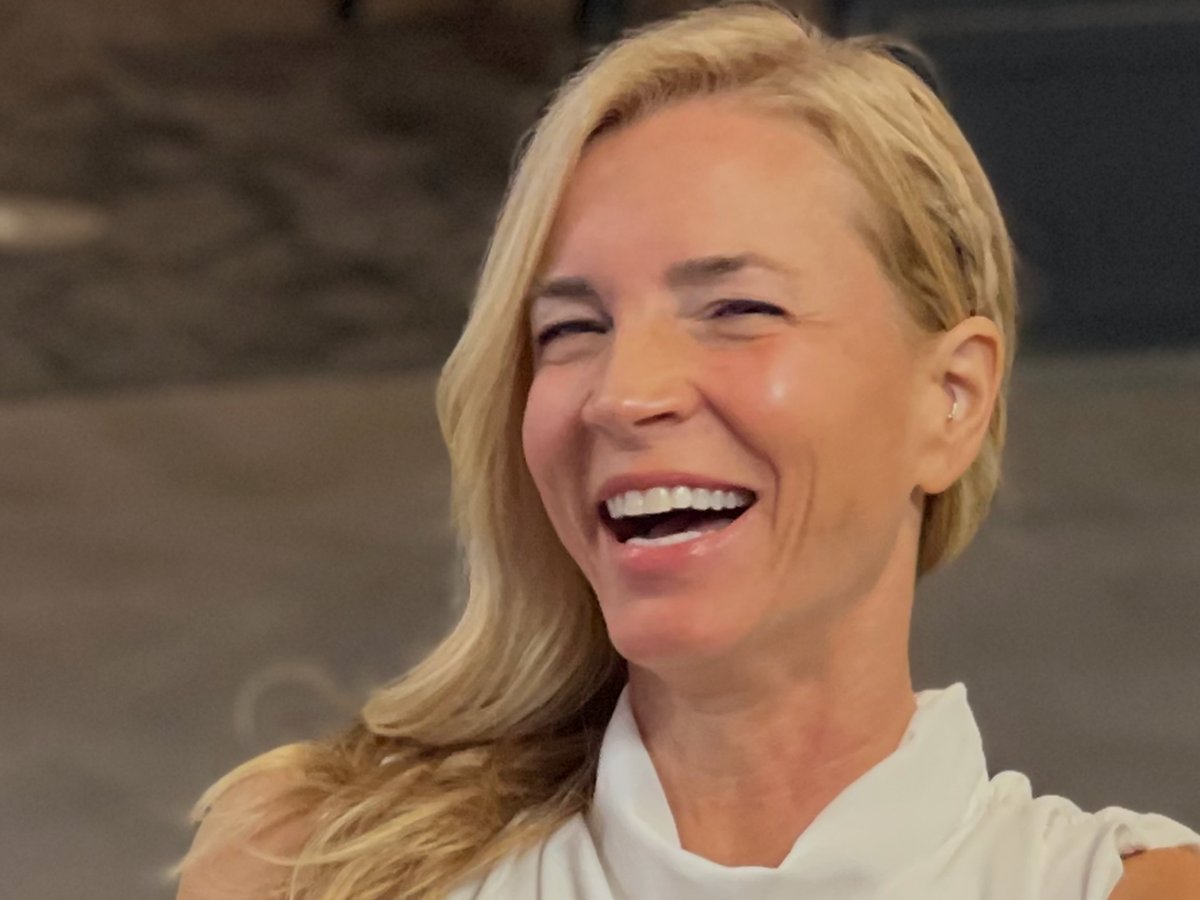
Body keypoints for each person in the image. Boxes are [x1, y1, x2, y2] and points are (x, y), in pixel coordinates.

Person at [176, 4, 1200, 899]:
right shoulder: (307, 869)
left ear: (952, 399)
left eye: (738, 309)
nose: (624, 394)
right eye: (572, 328)